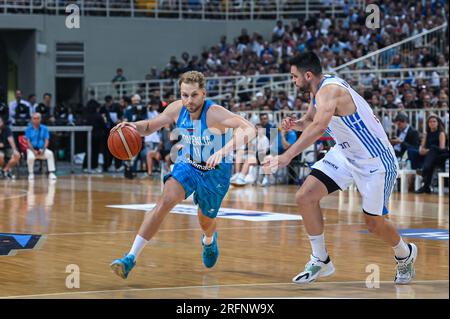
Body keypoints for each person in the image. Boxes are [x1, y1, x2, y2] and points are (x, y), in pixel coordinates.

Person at [264, 52, 417, 285]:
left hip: (374, 160)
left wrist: (287, 155)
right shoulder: (318, 91)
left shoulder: (331, 90)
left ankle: (405, 254)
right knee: (305, 196)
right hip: (345, 154)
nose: (293, 81)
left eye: (294, 77)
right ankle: (321, 259)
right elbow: (310, 121)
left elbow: (318, 128)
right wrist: (296, 124)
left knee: (374, 224)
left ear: (307, 75)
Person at [110, 71, 256, 279]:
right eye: (184, 95)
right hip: (187, 164)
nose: (189, 100)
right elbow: (150, 126)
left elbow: (249, 128)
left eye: (194, 95)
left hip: (215, 172)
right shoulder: (177, 109)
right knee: (165, 201)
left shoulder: (214, 112)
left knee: (205, 220)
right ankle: (130, 257)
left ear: (203, 93)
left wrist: (224, 150)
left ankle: (208, 239)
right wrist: (132, 126)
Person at [415, 115, 449, 194]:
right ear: (428, 124)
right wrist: (428, 151)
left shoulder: (441, 133)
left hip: (440, 155)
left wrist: (429, 151)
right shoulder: (426, 134)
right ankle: (426, 187)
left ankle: (424, 173)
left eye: (434, 121)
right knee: (431, 161)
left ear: (438, 123)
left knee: (433, 149)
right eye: (430, 122)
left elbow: (442, 148)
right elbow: (421, 150)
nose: (432, 123)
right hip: (430, 157)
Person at [25, 113, 57, 181]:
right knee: (30, 157)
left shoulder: (45, 128)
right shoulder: (28, 129)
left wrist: (43, 149)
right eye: (34, 118)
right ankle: (31, 173)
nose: (36, 120)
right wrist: (33, 151)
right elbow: (28, 142)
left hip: (42, 149)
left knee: (50, 153)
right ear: (32, 119)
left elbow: (46, 140)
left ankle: (51, 173)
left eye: (37, 118)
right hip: (32, 149)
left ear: (40, 119)